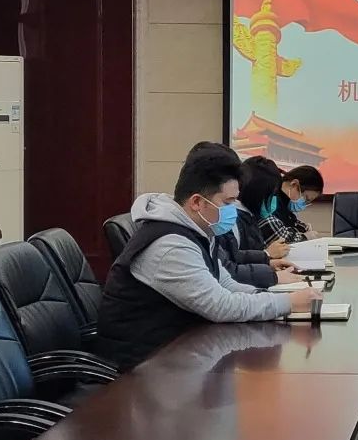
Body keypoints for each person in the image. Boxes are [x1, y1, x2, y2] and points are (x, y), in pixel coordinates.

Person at [97, 148, 320, 370]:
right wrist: (287, 303)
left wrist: (274, 298)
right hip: (141, 369)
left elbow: (226, 284)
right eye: (228, 202)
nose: (233, 211)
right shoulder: (170, 245)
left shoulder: (199, 231)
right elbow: (220, 305)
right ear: (197, 202)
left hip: (179, 353)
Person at [186, 143, 298, 289]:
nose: (232, 205)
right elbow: (227, 273)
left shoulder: (226, 219)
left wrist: (266, 261)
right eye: (228, 201)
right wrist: (271, 274)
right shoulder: (216, 220)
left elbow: (231, 257)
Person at [238, 160, 324, 245]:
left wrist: (303, 229)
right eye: (306, 198)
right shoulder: (267, 201)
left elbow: (292, 224)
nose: (304, 204)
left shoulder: (286, 204)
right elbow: (278, 236)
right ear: (294, 184)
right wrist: (305, 237)